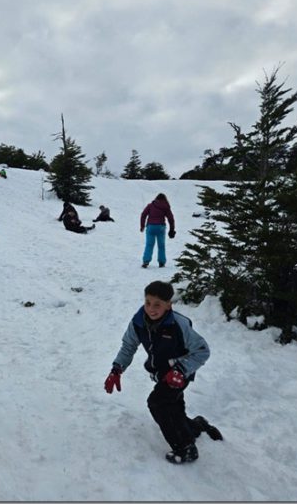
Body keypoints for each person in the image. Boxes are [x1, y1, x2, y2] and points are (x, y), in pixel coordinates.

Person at [104, 280, 222, 465]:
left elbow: (202, 350)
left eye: (157, 304)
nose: (151, 309)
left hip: (179, 372)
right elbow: (128, 346)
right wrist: (117, 368)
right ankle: (196, 427)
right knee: (173, 406)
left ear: (168, 305)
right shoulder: (138, 322)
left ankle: (185, 447)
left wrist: (181, 370)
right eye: (148, 302)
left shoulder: (178, 324)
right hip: (161, 372)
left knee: (158, 403)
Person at [140, 193, 175, 268]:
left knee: (149, 245)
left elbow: (143, 215)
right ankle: (161, 262)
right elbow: (171, 219)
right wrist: (172, 230)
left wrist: (142, 226)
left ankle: (146, 261)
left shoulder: (151, 205)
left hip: (151, 227)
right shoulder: (166, 206)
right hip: (161, 227)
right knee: (161, 246)